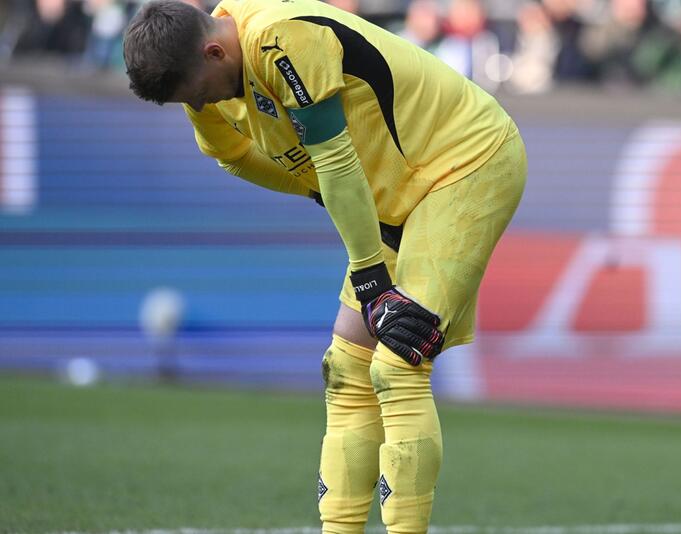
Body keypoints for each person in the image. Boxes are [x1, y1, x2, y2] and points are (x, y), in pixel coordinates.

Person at [122, 0, 527, 532]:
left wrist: (371, 277)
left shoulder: (283, 41)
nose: (201, 104)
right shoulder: (203, 68)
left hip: (464, 164)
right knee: (345, 371)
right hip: (394, 194)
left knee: (399, 358)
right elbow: (238, 157)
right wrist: (318, 194)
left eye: (199, 92)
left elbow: (336, 162)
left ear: (214, 50)